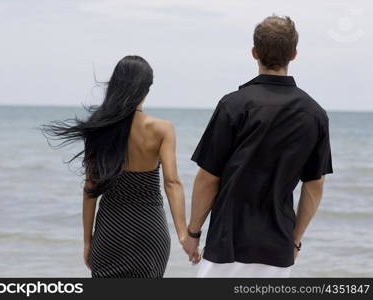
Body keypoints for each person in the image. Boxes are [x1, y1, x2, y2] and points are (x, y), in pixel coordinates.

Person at [182, 15, 333, 277]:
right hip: (277, 248)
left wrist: (193, 232)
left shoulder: (233, 105)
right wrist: (295, 239)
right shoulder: (315, 114)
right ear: (294, 54)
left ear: (254, 53)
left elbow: (207, 178)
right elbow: (314, 184)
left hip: (227, 245)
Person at [42, 55, 189, 278]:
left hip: (110, 232)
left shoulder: (100, 127)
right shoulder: (162, 129)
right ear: (146, 88)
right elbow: (172, 182)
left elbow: (90, 188)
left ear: (115, 86)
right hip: (148, 232)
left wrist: (87, 241)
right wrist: (183, 234)